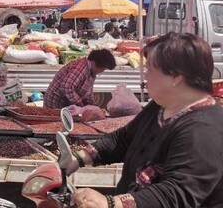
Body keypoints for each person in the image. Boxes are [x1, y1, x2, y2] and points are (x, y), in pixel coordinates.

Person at [66, 33, 223, 207]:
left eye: (150, 69)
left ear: (176, 77)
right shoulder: (159, 107)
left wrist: (111, 203)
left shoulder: (205, 129)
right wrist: (78, 158)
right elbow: (123, 139)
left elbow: (177, 193)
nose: (145, 76)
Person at [44, 49, 116, 109]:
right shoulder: (81, 68)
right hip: (55, 103)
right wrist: (80, 104)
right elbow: (67, 87)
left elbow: (88, 94)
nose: (102, 71)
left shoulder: (91, 72)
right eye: (103, 69)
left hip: (65, 104)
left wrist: (92, 107)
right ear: (94, 63)